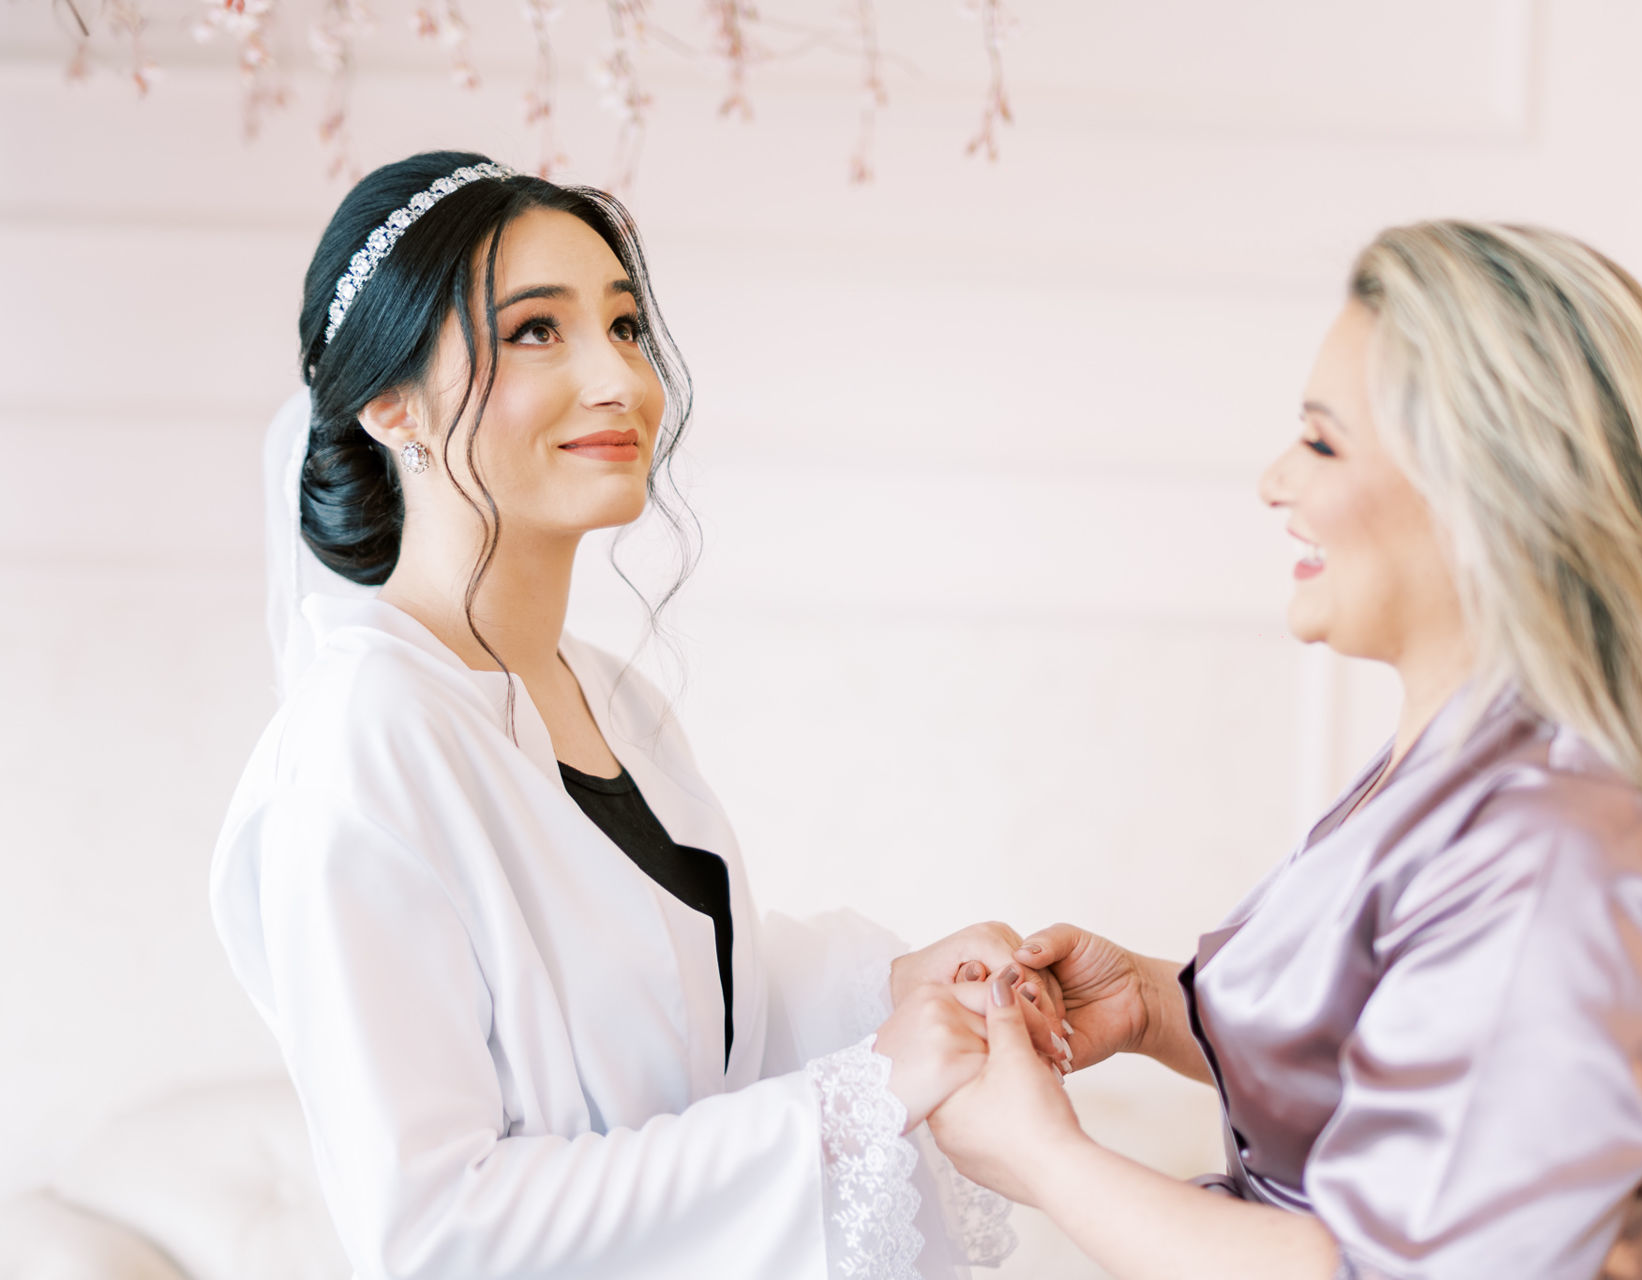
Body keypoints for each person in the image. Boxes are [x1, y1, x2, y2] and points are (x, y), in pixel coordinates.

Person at [210, 150, 1066, 1280]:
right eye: (535, 331)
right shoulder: (359, 744)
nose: (618, 378)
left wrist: (889, 995)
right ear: (389, 402)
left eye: (623, 325)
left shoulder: (615, 696)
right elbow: (436, 1229)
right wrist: (851, 1098)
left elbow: (681, 1022)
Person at [927, 221, 1642, 1280]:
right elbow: (1390, 1065)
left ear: (1492, 495)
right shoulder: (1470, 774)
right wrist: (1151, 1003)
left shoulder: (1560, 854)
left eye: (1322, 443)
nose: (1273, 481)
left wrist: (1046, 1159)